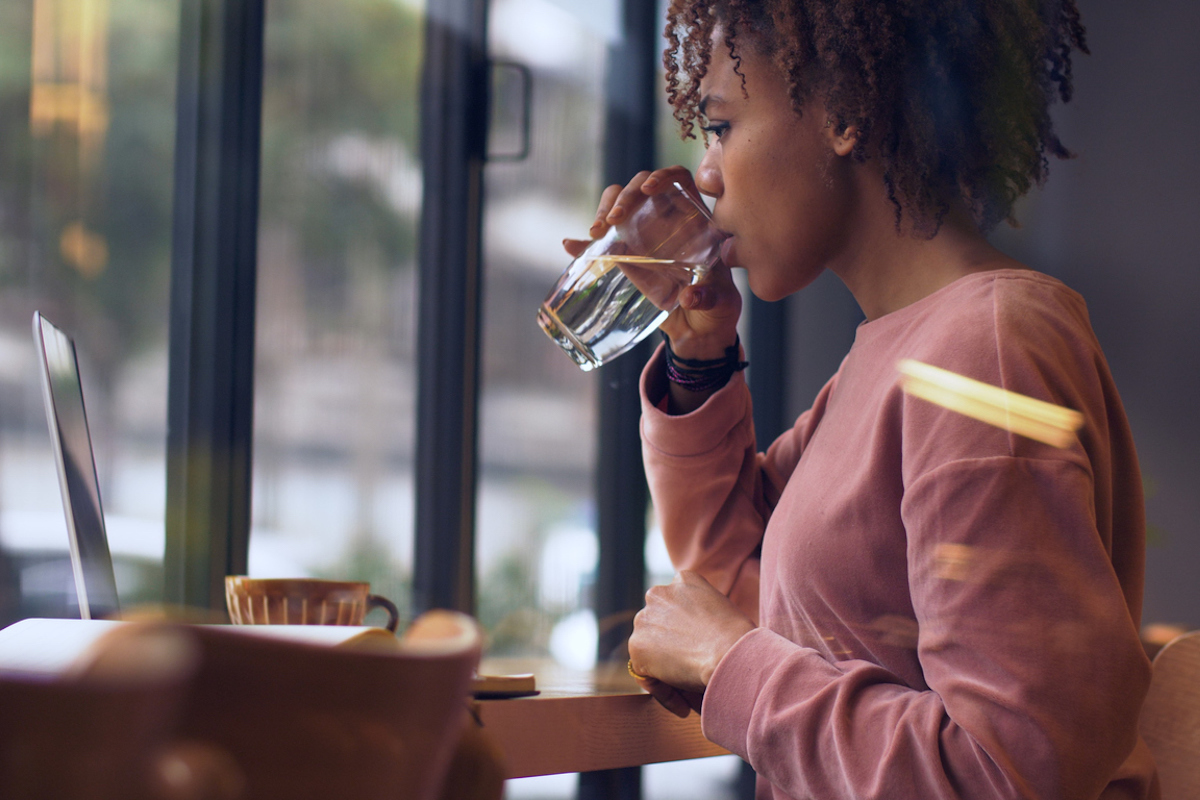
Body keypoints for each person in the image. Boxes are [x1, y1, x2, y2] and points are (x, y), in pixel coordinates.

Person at [564, 1, 1158, 798]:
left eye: (721, 128)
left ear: (844, 114)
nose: (704, 175)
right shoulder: (903, 355)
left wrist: (726, 663)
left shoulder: (983, 351)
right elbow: (751, 582)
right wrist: (698, 356)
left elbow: (1007, 771)